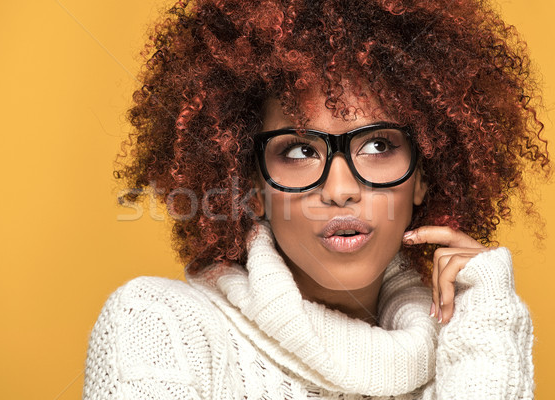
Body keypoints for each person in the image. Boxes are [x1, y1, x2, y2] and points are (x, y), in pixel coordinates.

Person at [82, 0, 550, 398]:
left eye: (378, 145)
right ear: (253, 187)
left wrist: (485, 319)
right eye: (301, 150)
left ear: (425, 175)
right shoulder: (161, 325)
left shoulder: (470, 342)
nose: (340, 189)